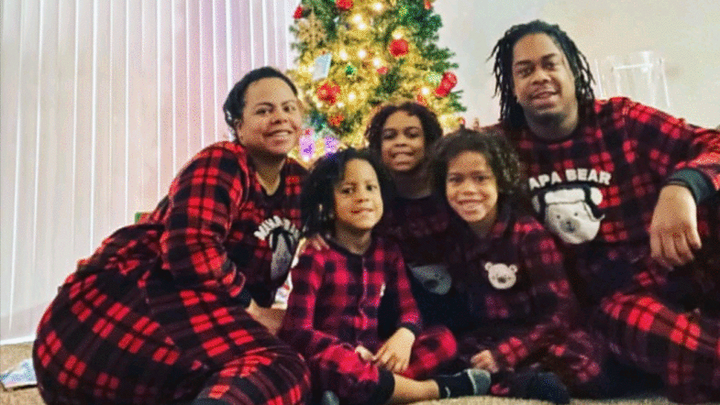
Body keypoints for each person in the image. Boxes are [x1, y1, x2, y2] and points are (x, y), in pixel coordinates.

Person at [32, 66, 311, 405]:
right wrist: (254, 310)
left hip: (194, 321)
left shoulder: (301, 183)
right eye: (264, 110)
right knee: (279, 367)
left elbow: (346, 226)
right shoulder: (224, 161)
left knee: (287, 365)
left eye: (288, 107)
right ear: (238, 125)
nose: (280, 117)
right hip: (118, 311)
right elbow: (190, 248)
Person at [488, 19, 720, 403]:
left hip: (682, 262)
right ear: (512, 86)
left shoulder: (620, 121)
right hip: (615, 309)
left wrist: (681, 188)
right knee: (635, 327)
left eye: (550, 64)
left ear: (573, 71)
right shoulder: (498, 148)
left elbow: (712, 143)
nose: (540, 77)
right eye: (525, 70)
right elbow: (438, 176)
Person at [278, 148, 491, 405]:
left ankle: (369, 390)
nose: (362, 197)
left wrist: (405, 335)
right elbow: (296, 330)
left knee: (442, 339)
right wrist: (349, 353)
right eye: (348, 190)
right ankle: (437, 389)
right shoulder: (316, 256)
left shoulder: (387, 251)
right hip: (333, 356)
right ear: (328, 206)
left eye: (371, 188)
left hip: (374, 355)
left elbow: (409, 309)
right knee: (336, 365)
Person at [431, 127, 618, 403]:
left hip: (541, 335)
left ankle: (523, 380)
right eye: (456, 180)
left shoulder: (528, 234)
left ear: (500, 181)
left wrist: (507, 353)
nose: (468, 190)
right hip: (489, 336)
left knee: (583, 361)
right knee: (448, 351)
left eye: (481, 178)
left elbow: (561, 313)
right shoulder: (455, 238)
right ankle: (516, 380)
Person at [364, 102, 466, 335]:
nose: (400, 142)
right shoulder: (373, 200)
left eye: (412, 135)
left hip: (459, 310)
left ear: (429, 143)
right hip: (397, 317)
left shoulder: (451, 192)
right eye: (390, 136)